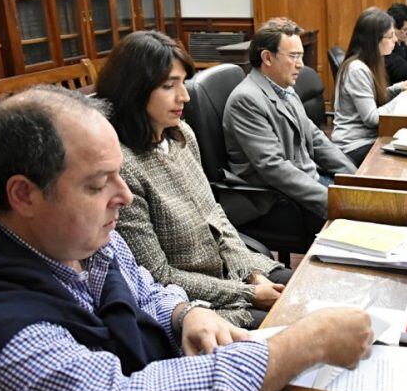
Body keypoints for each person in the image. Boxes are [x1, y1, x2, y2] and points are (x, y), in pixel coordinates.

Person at [0, 85, 373, 391]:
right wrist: (308, 343)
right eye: (98, 184)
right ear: (24, 195)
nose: (123, 195)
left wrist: (185, 313)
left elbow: (144, 289)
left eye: (118, 175)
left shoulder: (76, 236)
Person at [96, 31, 292, 330]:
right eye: (168, 86)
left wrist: (250, 273)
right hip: (197, 301)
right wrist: (249, 293)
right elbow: (158, 275)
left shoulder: (182, 135)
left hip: (233, 269)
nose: (185, 96)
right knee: (288, 327)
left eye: (183, 83)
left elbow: (214, 213)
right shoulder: (123, 167)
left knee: (309, 289)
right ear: (133, 91)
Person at [223, 18, 356, 229]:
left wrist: (354, 177)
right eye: (293, 56)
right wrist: (333, 201)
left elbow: (316, 137)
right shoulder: (246, 99)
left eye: (300, 56)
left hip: (311, 179)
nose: (301, 64)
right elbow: (274, 168)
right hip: (281, 198)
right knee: (365, 225)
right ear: (267, 57)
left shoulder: (285, 88)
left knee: (375, 207)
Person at [332, 8, 407, 166]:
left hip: (367, 138)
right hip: (354, 145)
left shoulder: (369, 62)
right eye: (390, 35)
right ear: (375, 40)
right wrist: (403, 98)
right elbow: (372, 119)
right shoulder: (356, 69)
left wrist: (399, 88)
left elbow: (371, 97)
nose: (395, 40)